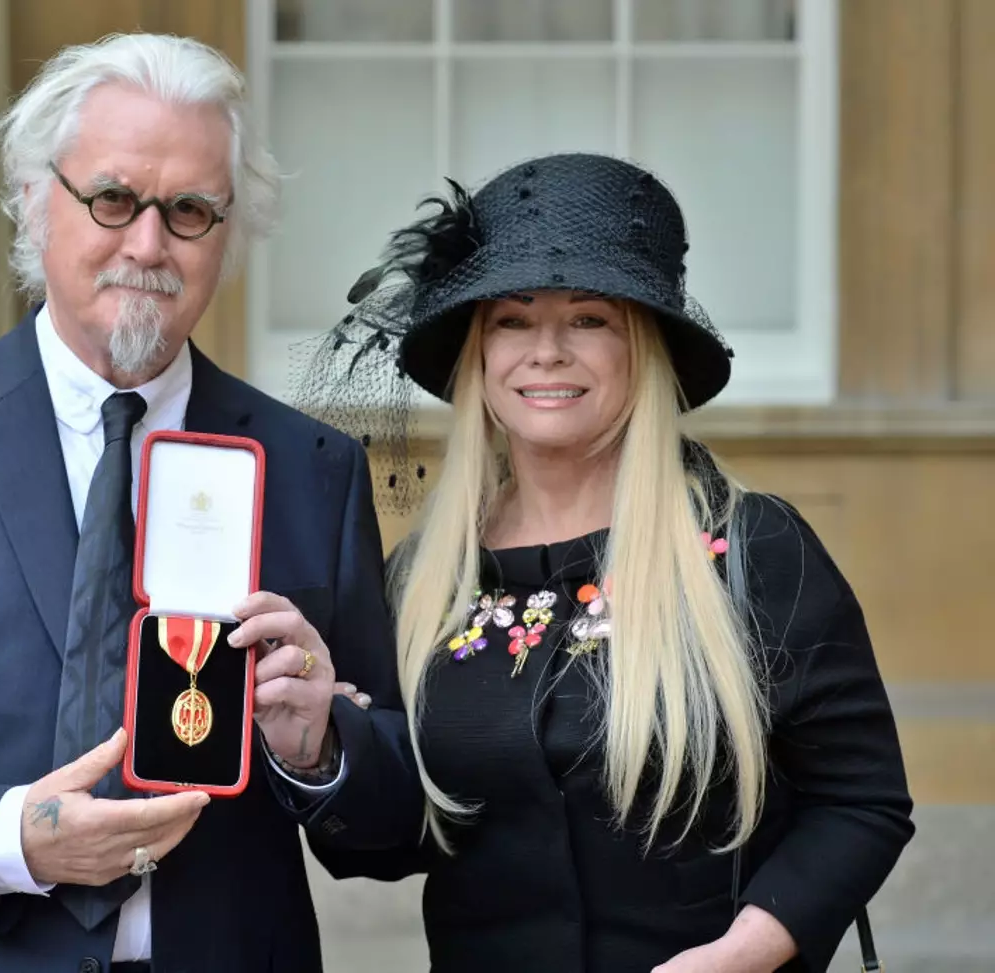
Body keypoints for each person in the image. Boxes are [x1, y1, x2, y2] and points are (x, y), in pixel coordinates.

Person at [0, 33, 417, 973]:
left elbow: (388, 835)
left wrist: (318, 747)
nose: (147, 243)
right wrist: (11, 834)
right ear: (33, 199)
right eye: (112, 199)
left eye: (189, 211)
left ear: (227, 233)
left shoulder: (311, 467)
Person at [300, 153, 914, 972]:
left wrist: (742, 954)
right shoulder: (423, 581)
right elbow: (392, 837)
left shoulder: (752, 550)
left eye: (588, 318)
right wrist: (314, 747)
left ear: (643, 348)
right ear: (478, 354)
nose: (546, 351)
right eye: (512, 320)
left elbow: (860, 800)